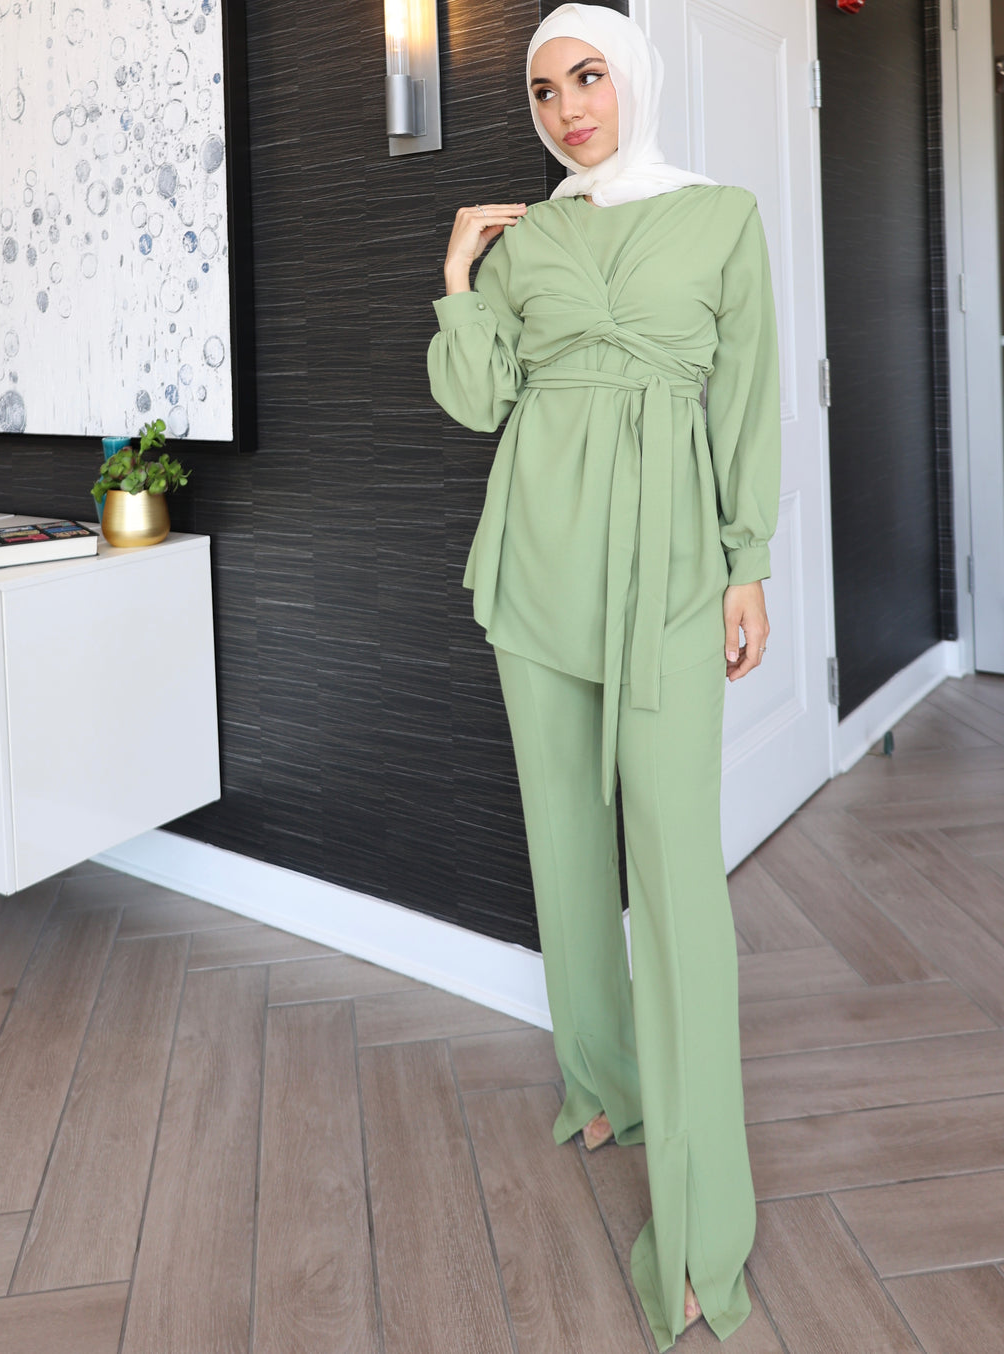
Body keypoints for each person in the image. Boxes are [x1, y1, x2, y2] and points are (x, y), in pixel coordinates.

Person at [427, 4, 780, 1348]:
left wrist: (747, 561)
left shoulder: (721, 217)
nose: (569, 107)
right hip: (538, 560)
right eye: (544, 90)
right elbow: (479, 401)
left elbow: (745, 396)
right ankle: (603, 1080)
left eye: (588, 77)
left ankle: (699, 1229)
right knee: (566, 838)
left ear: (631, 79)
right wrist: (460, 277)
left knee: (678, 882)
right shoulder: (529, 241)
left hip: (675, 569)